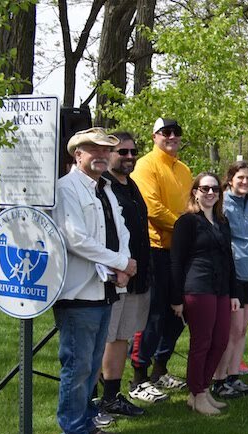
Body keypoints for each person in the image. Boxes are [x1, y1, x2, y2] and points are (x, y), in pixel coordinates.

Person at [53, 127, 135, 434]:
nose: (101, 155)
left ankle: (86, 427)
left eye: (105, 150)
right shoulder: (66, 188)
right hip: (78, 293)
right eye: (93, 150)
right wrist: (120, 262)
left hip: (104, 289)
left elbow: (121, 230)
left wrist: (123, 265)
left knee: (90, 368)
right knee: (77, 369)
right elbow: (75, 239)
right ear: (78, 155)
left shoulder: (106, 189)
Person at [129, 118, 192, 401]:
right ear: (155, 135)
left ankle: (160, 369)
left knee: (179, 313)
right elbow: (152, 208)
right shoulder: (145, 165)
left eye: (176, 132)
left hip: (180, 250)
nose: (172, 136)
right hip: (155, 249)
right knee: (153, 315)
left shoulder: (184, 169)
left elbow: (190, 206)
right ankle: (138, 377)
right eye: (166, 132)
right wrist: (185, 227)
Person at [170, 172, 240, 415]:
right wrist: (176, 298)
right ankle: (197, 393)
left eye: (215, 189)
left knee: (220, 341)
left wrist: (234, 293)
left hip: (221, 288)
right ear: (195, 192)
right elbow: (176, 261)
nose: (210, 193)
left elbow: (228, 258)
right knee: (202, 342)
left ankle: (201, 389)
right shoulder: (187, 222)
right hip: (198, 287)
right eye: (205, 189)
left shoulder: (222, 221)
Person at [99, 132, 150, 418]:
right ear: (109, 154)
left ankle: (111, 397)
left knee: (122, 337)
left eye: (133, 151)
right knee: (107, 337)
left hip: (136, 275)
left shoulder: (131, 186)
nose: (130, 156)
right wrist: (117, 266)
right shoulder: (103, 187)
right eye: (123, 152)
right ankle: (93, 398)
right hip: (114, 276)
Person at [211, 161, 248, 399]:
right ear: (230, 179)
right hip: (233, 275)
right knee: (232, 330)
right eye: (240, 177)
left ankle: (234, 376)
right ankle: (219, 380)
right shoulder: (222, 204)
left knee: (242, 330)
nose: (245, 182)